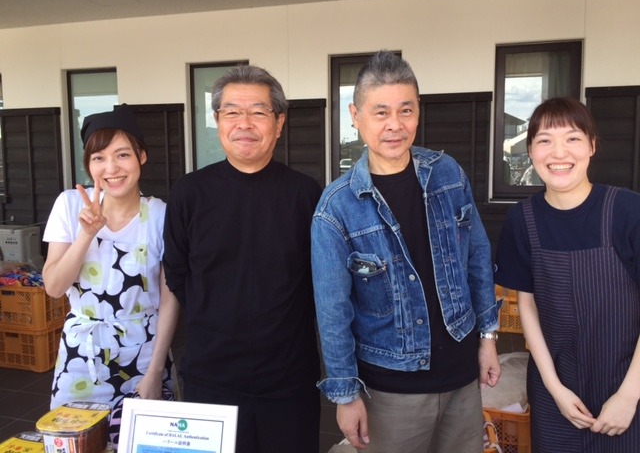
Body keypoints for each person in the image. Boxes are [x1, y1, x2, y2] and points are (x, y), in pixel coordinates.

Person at [311, 50, 501, 452]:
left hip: (462, 376)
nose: (395, 125)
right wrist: (345, 394)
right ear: (355, 115)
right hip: (391, 387)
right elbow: (332, 310)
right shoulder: (337, 208)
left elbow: (478, 257)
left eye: (406, 110)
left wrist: (488, 337)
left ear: (418, 112)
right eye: (380, 112)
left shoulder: (447, 174)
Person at [163, 64, 322, 453]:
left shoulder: (306, 194)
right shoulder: (189, 193)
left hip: (288, 378)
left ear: (279, 123)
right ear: (218, 121)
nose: (244, 123)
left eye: (258, 112)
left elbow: (320, 279)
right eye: (232, 112)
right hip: (210, 375)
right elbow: (177, 273)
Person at [494, 97, 640, 452]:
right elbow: (527, 305)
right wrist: (554, 389)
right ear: (531, 151)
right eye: (545, 140)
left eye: (572, 138)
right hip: (556, 391)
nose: (559, 152)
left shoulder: (627, 210)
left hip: (628, 384)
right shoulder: (521, 220)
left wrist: (629, 395)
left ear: (592, 146)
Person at [42, 104, 179, 446]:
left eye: (123, 155)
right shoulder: (69, 206)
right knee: (74, 446)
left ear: (141, 157)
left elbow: (169, 299)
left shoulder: (161, 215)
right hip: (81, 356)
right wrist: (86, 234)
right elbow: (55, 287)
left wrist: (155, 371)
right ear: (88, 164)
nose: (111, 168)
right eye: (99, 158)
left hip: (144, 354)